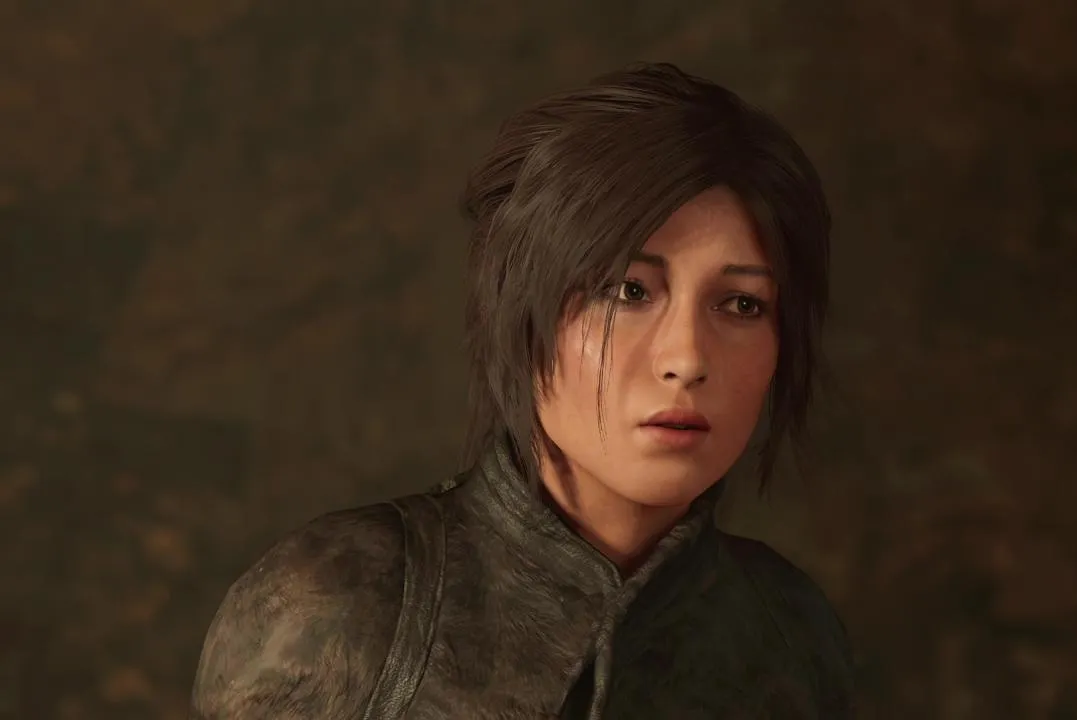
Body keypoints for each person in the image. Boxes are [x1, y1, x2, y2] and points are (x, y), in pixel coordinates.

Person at [190, 61, 856, 719]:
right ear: (521, 309)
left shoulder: (790, 635)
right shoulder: (340, 605)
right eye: (628, 291)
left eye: (741, 305)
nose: (686, 358)